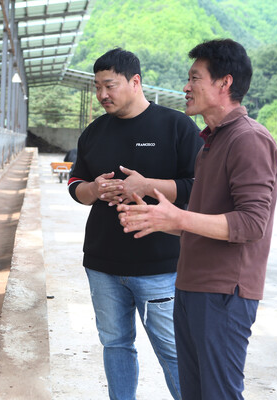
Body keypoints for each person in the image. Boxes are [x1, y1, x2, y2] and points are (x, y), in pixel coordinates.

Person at [118, 39, 277, 400]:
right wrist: (167, 220)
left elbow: (252, 223)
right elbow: (205, 215)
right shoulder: (211, 142)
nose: (186, 87)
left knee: (218, 393)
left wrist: (179, 218)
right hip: (192, 285)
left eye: (195, 78)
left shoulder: (248, 139)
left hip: (225, 291)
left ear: (225, 83)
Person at [67, 48, 202, 400]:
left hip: (160, 264)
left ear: (135, 81)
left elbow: (199, 187)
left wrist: (148, 186)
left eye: (109, 86)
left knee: (172, 350)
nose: (101, 95)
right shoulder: (94, 132)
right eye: (97, 87)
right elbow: (74, 186)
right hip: (102, 262)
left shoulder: (177, 126)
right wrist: (94, 190)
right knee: (115, 345)